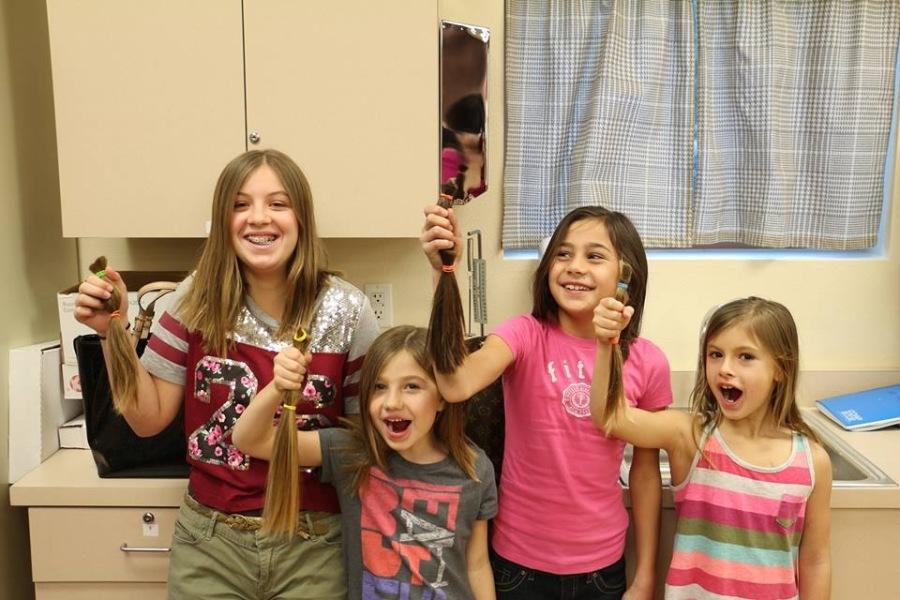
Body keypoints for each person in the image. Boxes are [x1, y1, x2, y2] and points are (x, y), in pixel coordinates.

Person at [74, 149, 380, 599]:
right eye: (240, 205)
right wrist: (113, 333)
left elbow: (366, 443)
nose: (259, 218)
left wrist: (269, 445)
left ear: (301, 218)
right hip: (209, 544)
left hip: (313, 543)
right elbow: (147, 419)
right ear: (223, 220)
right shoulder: (192, 299)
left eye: (277, 203)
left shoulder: (349, 310)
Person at [421, 204, 673, 599]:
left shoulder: (648, 360)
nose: (574, 266)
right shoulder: (524, 334)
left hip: (602, 569)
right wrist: (443, 272)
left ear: (627, 275)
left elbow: (644, 476)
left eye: (594, 256)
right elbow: (455, 385)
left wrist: (644, 575)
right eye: (563, 253)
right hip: (518, 567)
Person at [591, 296, 832, 599]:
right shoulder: (691, 437)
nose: (725, 369)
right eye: (715, 354)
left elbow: (815, 561)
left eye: (745, 356)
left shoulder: (812, 462)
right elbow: (609, 417)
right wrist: (603, 344)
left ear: (780, 368)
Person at [232, 325, 498, 599]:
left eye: (412, 386)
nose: (391, 402)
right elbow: (249, 439)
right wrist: (279, 387)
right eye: (379, 387)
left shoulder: (474, 469)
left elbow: (476, 565)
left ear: (443, 396)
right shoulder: (350, 452)